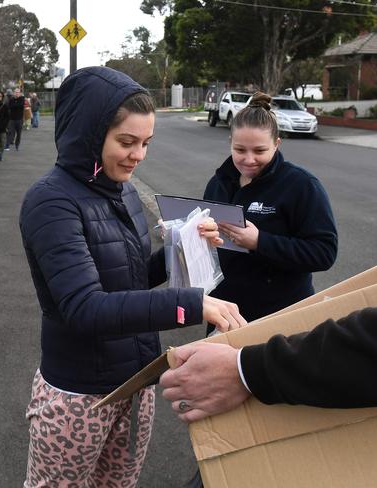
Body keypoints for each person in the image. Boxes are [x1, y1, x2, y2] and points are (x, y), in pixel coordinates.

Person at [19, 66, 246, 488]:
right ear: (90, 133)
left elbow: (132, 277)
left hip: (135, 383)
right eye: (126, 142)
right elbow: (85, 308)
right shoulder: (50, 202)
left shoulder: (120, 189)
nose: (138, 155)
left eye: (145, 143)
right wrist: (191, 305)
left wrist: (186, 244)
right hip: (78, 395)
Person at [161, 290, 377, 423]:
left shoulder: (305, 193)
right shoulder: (220, 192)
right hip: (239, 330)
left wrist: (246, 369)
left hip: (280, 320)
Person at [203, 91, 338, 324]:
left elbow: (324, 253)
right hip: (226, 312)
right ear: (230, 143)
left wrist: (259, 242)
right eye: (239, 150)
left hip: (281, 315)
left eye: (259, 151)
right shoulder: (219, 183)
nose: (248, 159)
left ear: (277, 144)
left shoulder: (301, 185)